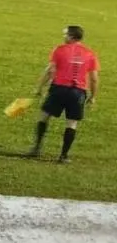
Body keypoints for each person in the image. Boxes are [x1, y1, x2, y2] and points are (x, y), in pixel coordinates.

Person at [28, 25, 101, 163]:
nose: (64, 36)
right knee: (71, 123)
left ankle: (36, 149)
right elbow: (94, 79)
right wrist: (93, 97)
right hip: (78, 92)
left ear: (72, 37)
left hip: (58, 89)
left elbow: (50, 71)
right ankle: (63, 156)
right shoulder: (90, 53)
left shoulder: (59, 50)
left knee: (44, 117)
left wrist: (39, 88)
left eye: (66, 34)